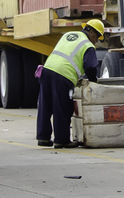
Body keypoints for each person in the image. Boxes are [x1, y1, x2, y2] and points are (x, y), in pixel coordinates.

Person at [37, 19, 103, 148]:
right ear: (92, 32)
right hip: (63, 75)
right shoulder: (88, 46)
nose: (96, 41)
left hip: (46, 70)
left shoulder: (67, 35)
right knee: (62, 107)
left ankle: (43, 137)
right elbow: (90, 67)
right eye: (98, 37)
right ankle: (61, 140)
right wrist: (93, 81)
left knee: (46, 105)